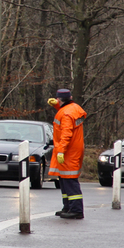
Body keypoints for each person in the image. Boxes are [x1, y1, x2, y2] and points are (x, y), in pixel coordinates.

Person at [47, 88, 87, 219]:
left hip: (68, 151)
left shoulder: (66, 114)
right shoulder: (73, 108)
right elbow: (66, 110)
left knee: (69, 180)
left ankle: (76, 209)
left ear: (59, 98)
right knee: (64, 180)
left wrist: (61, 151)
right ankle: (68, 207)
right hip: (73, 149)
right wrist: (56, 106)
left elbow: (66, 134)